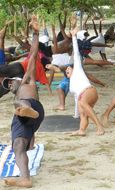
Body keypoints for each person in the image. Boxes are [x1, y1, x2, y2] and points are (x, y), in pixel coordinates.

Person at [2, 16, 44, 188]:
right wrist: (31, 141)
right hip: (31, 117)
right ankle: (25, 178)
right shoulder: (16, 93)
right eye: (8, 85)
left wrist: (35, 33)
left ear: (18, 79)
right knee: (18, 145)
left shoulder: (27, 80)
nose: (10, 84)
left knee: (19, 107)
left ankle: (27, 111)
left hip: (30, 106)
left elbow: (33, 55)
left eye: (11, 81)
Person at [66, 16, 105, 136]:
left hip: (89, 91)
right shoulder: (71, 85)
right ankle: (81, 130)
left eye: (69, 68)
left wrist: (73, 36)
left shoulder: (77, 69)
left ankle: (100, 126)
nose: (68, 70)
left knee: (83, 104)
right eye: (66, 71)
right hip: (83, 95)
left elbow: (76, 53)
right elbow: (76, 99)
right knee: (83, 113)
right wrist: (76, 114)